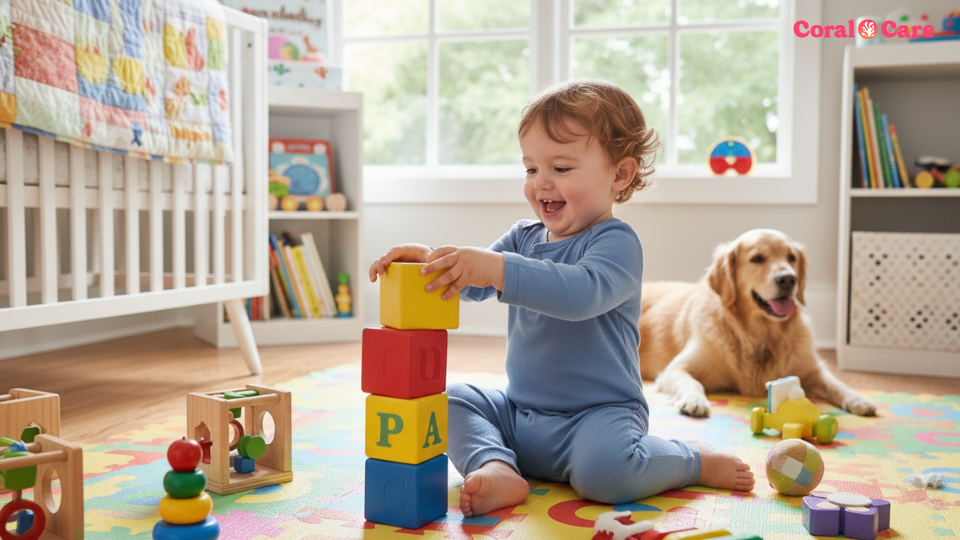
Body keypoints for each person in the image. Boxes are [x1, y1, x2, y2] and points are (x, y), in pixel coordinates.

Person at [368, 78, 755, 517]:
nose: (541, 184)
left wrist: (497, 268)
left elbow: (579, 293)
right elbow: (475, 284)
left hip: (598, 418)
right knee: (449, 399)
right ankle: (497, 466)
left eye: (561, 169)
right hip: (521, 413)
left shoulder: (617, 243)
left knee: (605, 477)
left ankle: (692, 459)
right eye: (532, 169)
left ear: (620, 174)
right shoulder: (522, 236)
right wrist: (434, 260)